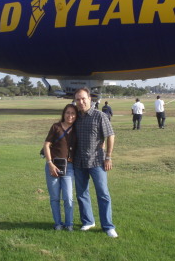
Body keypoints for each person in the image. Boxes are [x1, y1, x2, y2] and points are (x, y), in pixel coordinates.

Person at [73, 88, 118, 238]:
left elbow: (110, 136)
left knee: (103, 194)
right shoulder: (75, 117)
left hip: (97, 161)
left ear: (90, 99)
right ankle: (88, 221)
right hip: (79, 162)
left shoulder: (100, 116)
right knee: (81, 194)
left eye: (83, 98)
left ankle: (108, 226)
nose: (81, 102)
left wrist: (108, 157)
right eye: (78, 99)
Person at [43, 104, 78, 231]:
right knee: (55, 197)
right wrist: (50, 163)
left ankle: (69, 224)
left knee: (68, 197)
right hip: (53, 166)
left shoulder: (77, 129)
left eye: (73, 113)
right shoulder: (56, 127)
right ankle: (58, 223)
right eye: (68, 113)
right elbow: (47, 145)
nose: (70, 116)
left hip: (69, 167)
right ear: (64, 114)